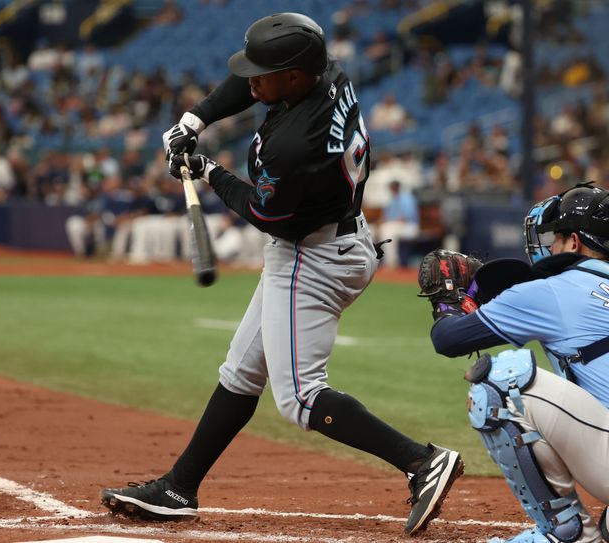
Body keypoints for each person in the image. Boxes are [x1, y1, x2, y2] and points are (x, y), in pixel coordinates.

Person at [100, 12, 463, 536]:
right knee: (241, 372)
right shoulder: (325, 71)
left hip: (309, 257)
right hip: (339, 236)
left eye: (264, 73)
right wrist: (194, 120)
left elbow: (268, 215)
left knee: (300, 399)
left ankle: (421, 460)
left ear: (294, 77)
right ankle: (180, 486)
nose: (252, 80)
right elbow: (255, 83)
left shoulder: (296, 145)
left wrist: (207, 171)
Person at [423, 183, 609, 542]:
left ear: (574, 242)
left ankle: (567, 532)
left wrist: (448, 301)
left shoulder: (557, 288)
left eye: (556, 237)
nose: (550, 246)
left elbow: (448, 339)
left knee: (500, 384)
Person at [377, 180, 420, 268]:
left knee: (388, 231)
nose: (392, 189)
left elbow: (407, 217)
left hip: (410, 227)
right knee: (375, 230)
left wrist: (393, 221)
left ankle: (391, 263)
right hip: (395, 226)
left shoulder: (407, 198)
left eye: (394, 187)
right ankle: (376, 261)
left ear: (398, 187)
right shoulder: (391, 200)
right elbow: (385, 217)